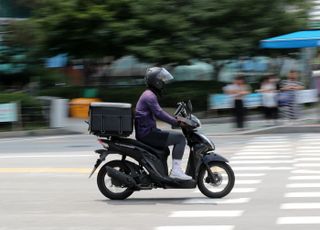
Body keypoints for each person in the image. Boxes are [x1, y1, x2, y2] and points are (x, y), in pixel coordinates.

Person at [135, 67, 192, 180]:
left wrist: (175, 120)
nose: (164, 82)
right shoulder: (149, 96)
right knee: (180, 139)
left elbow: (159, 112)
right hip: (147, 134)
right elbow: (159, 113)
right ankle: (176, 171)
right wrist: (176, 121)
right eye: (162, 80)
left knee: (165, 149)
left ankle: (160, 174)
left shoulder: (149, 94)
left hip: (147, 131)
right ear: (156, 81)